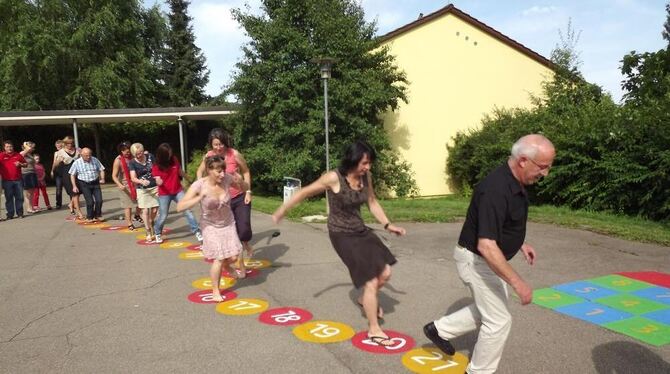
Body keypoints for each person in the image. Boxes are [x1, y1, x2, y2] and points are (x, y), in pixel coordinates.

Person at [422, 134, 555, 374]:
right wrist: (518, 282)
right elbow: (486, 245)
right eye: (543, 167)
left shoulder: (515, 182)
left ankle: (439, 330)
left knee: (490, 308)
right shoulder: (495, 189)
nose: (545, 173)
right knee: (498, 320)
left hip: (487, 260)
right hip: (477, 261)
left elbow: (502, 224)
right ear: (524, 160)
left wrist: (520, 243)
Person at [272, 140, 406, 347]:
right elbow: (304, 191)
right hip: (341, 234)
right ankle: (374, 329)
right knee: (371, 281)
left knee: (386, 272)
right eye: (364, 163)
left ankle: (364, 299)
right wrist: (283, 209)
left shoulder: (365, 177)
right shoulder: (333, 178)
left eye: (369, 163)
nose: (368, 167)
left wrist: (388, 224)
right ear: (353, 160)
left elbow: (372, 202)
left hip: (360, 230)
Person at [177, 155, 249, 302]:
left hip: (228, 223)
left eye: (223, 170)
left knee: (234, 256)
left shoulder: (227, 179)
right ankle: (215, 291)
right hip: (210, 225)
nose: (222, 174)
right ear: (209, 170)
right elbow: (180, 207)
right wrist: (199, 198)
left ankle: (227, 267)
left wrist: (241, 181)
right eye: (218, 171)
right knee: (219, 257)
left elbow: (244, 188)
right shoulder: (199, 185)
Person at [196, 128, 253, 276]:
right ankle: (241, 266)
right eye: (215, 144)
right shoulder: (209, 156)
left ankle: (246, 242)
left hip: (239, 196)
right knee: (235, 235)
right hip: (221, 203)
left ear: (225, 142)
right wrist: (201, 188)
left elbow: (246, 171)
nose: (218, 147)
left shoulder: (234, 154)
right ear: (211, 144)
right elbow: (199, 172)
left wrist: (248, 191)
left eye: (221, 144)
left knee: (244, 229)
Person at [151, 143, 202, 244]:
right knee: (163, 215)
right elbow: (156, 179)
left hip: (177, 190)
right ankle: (157, 232)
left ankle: (197, 231)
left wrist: (189, 179)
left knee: (187, 211)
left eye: (170, 152)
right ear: (162, 155)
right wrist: (158, 181)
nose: (170, 154)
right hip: (164, 193)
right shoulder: (156, 166)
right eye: (168, 153)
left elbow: (179, 171)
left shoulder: (174, 159)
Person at [129, 143, 159, 242]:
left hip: (154, 186)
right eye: (136, 154)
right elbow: (133, 178)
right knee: (145, 210)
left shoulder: (150, 157)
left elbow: (156, 169)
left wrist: (158, 179)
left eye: (140, 152)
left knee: (155, 210)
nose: (139, 155)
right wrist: (141, 181)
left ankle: (151, 221)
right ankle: (148, 230)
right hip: (142, 189)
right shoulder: (132, 162)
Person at [111, 141, 142, 230]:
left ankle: (137, 215)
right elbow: (114, 175)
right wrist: (119, 184)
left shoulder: (134, 158)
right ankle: (129, 223)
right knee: (128, 206)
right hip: (125, 185)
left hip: (136, 183)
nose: (127, 152)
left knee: (141, 202)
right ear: (121, 151)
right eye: (124, 150)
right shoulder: (118, 160)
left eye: (128, 150)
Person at [69, 148, 105, 223]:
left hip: (95, 182)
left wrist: (102, 178)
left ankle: (97, 215)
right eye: (86, 156)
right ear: (81, 155)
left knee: (99, 200)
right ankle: (90, 217)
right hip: (84, 183)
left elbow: (101, 169)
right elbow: (72, 174)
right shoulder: (77, 162)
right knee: (90, 202)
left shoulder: (95, 160)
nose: (88, 157)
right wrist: (74, 186)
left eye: (89, 155)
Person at [52, 136, 84, 219]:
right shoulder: (60, 152)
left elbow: (83, 159)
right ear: (64, 143)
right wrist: (58, 161)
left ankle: (71, 204)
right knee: (74, 193)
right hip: (67, 174)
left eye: (71, 143)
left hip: (77, 173)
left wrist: (81, 155)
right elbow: (55, 164)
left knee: (79, 192)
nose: (70, 145)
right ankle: (79, 212)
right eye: (67, 143)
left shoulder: (78, 150)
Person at [0, 140, 27, 219]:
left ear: (13, 147)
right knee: (9, 198)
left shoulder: (18, 155)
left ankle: (20, 213)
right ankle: (10, 214)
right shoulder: (1, 155)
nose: (9, 148)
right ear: (4, 148)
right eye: (7, 147)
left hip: (18, 180)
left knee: (20, 197)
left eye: (11, 146)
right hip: (7, 181)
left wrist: (21, 164)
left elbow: (26, 164)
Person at [19, 141, 38, 214]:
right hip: (25, 174)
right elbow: (27, 149)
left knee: (32, 192)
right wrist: (25, 144)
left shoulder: (30, 154)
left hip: (32, 173)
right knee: (28, 193)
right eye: (29, 146)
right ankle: (28, 208)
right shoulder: (22, 153)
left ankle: (32, 207)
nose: (31, 148)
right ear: (25, 147)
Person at [50, 139, 64, 209]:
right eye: (57, 146)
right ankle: (58, 203)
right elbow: (54, 162)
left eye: (59, 146)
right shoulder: (56, 153)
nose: (58, 147)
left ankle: (73, 203)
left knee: (69, 188)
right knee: (58, 188)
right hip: (58, 172)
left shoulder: (65, 152)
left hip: (65, 171)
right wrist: (52, 170)